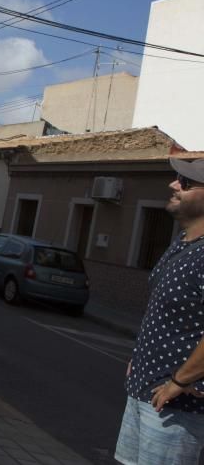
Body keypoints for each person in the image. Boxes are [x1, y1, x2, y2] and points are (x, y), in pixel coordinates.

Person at [115, 157, 204, 464]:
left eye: (187, 182)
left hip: (179, 408)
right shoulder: (182, 244)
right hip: (144, 391)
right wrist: (138, 358)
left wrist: (179, 382)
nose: (174, 184)